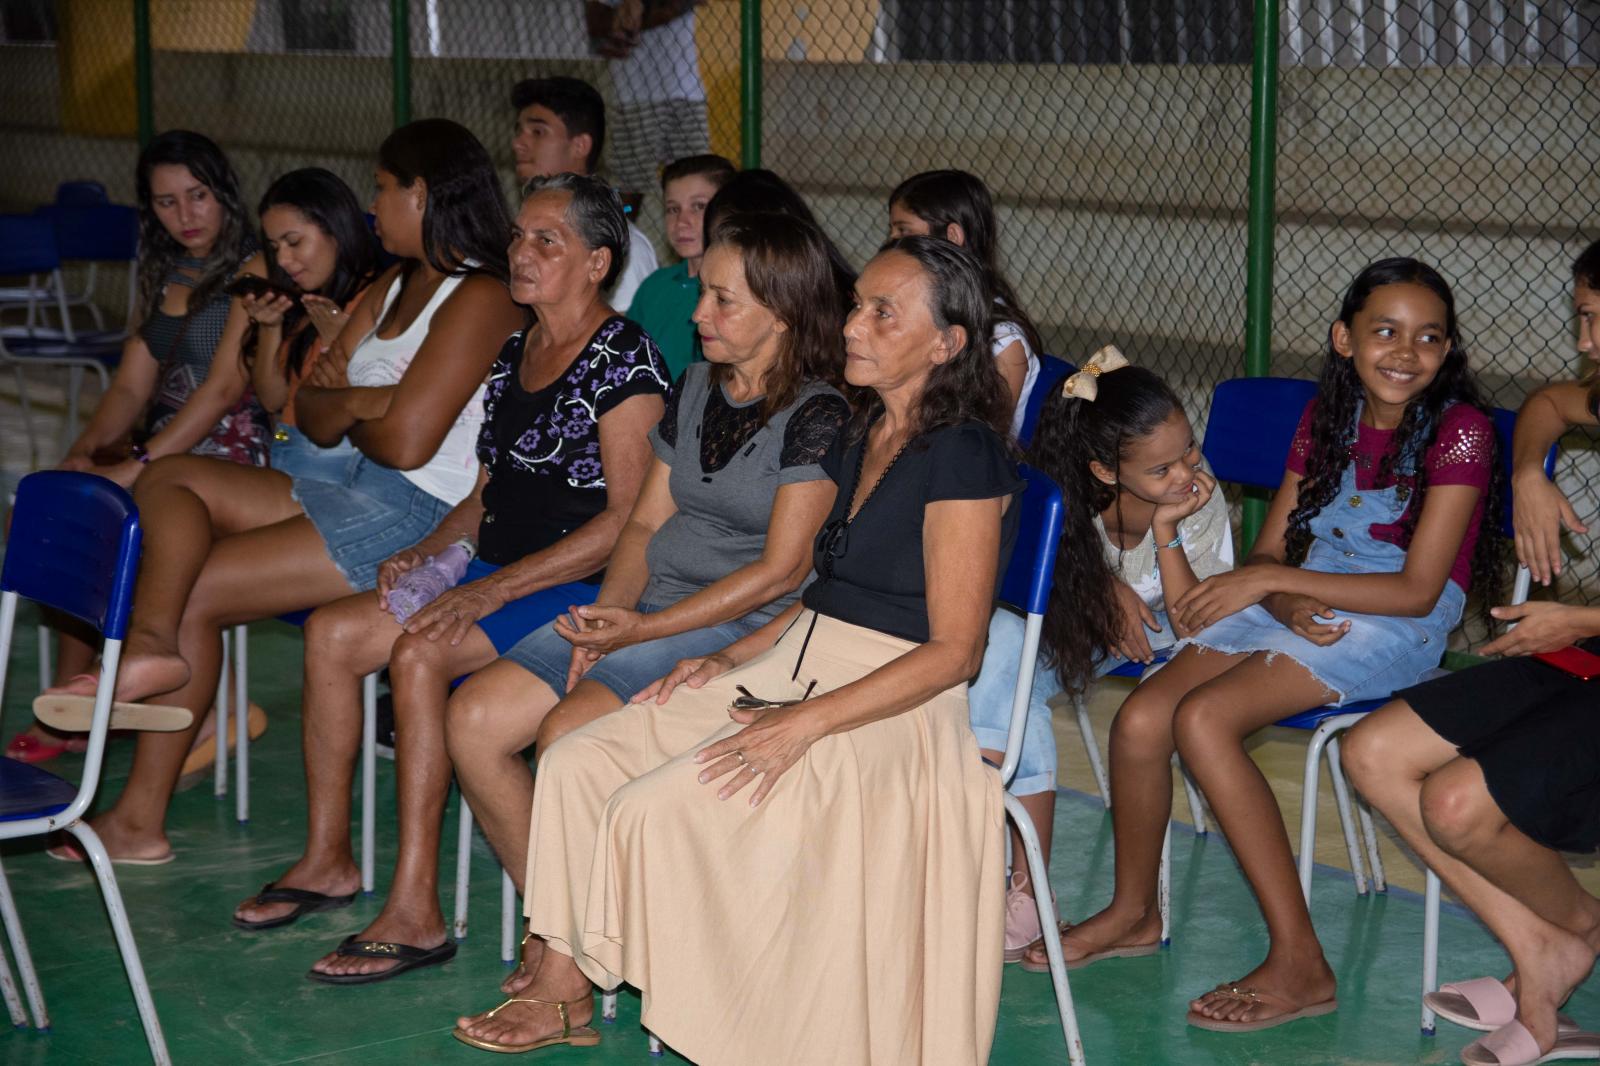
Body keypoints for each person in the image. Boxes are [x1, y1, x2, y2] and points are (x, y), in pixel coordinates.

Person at [450, 236, 1018, 1062]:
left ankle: (735, 1028)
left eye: (881, 313)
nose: (854, 325)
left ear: (947, 343)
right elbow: (820, 599)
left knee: (653, 807)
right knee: (578, 760)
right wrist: (724, 659)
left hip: (890, 706)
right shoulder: (867, 431)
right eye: (859, 304)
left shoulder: (962, 452)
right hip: (796, 664)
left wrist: (804, 725)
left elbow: (955, 653)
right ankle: (569, 989)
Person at [43, 118, 525, 864]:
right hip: (346, 482)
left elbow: (407, 443)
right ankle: (152, 647)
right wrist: (372, 406)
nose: (375, 203)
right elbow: (312, 413)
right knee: (170, 479)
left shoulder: (481, 296)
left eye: (383, 188)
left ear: (420, 195)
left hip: (415, 511)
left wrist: (360, 405)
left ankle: (138, 819)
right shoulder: (394, 285)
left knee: (197, 586)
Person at [229, 174, 670, 982]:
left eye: (549, 242)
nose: (523, 254)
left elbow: (630, 518)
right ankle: (329, 860)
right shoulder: (518, 349)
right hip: (500, 571)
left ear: (598, 262)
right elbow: (489, 490)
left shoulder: (624, 359)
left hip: (580, 583)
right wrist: (435, 550)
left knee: (420, 656)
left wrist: (489, 589)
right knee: (334, 632)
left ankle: (416, 908)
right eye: (520, 237)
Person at [1051, 257, 1503, 1033]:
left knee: (1202, 721)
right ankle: (1134, 912)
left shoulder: (1459, 434)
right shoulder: (1322, 421)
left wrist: (1275, 590)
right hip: (1300, 596)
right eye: (1384, 331)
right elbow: (1267, 557)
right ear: (1343, 340)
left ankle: (1300, 960)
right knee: (1140, 720)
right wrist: (1280, 592)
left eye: (1428, 337)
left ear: (1448, 348)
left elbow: (1417, 591)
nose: (1405, 351)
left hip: (1393, 618)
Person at [446, 210, 850, 995]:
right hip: (651, 609)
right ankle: (569, 919)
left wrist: (643, 629)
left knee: (566, 733)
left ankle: (565, 957)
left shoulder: (820, 414)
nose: (698, 315)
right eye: (704, 295)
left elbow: (779, 572)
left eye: (724, 301)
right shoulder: (698, 384)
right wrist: (608, 620)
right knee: (474, 720)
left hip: (742, 627)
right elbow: (644, 522)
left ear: (786, 312)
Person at [1342, 242, 1600, 1066]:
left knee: (1456, 804)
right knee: (1372, 751)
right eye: (1582, 319)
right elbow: (1554, 404)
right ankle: (1542, 951)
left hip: (1590, 641)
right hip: (1588, 650)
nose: (1585, 342)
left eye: (1595, 321)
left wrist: (1584, 622)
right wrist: (1528, 468)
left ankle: (1575, 933)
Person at [959, 353, 1234, 967]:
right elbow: (1028, 571)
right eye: (1162, 467)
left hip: (1188, 634)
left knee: (1013, 671)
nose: (1187, 471)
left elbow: (1199, 616)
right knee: (1006, 659)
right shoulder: (1062, 483)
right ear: (1104, 470)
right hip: (1085, 625)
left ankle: (1003, 877)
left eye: (1189, 450)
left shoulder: (1197, 495)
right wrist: (1103, 587)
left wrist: (1166, 526)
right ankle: (1021, 885)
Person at [8, 130, 271, 765]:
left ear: (225, 194)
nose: (185, 216)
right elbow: (130, 385)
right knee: (57, 514)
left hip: (229, 455)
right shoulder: (163, 272)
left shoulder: (253, 269)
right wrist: (83, 453)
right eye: (166, 203)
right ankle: (83, 700)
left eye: (198, 196)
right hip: (162, 451)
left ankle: (126, 707)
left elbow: (218, 392)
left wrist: (136, 463)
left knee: (114, 523)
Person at [245, 167, 383, 484]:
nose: (282, 260)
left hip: (330, 465)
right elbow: (272, 399)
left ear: (336, 230)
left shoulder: (370, 301)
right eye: (275, 246)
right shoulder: (310, 303)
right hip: (286, 451)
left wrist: (340, 343)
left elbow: (373, 402)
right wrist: (270, 326)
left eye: (293, 242)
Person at [888, 169, 1043, 436]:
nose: (893, 241)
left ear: (952, 236)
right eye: (891, 229)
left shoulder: (1001, 341)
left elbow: (983, 443)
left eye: (904, 230)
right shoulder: (918, 312)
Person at [510, 75, 657, 310]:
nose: (518, 143)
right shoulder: (524, 230)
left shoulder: (624, 247)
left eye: (538, 132)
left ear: (580, 146)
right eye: (519, 131)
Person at [624, 152, 735, 378]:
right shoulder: (654, 286)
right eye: (673, 209)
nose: (682, 221)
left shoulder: (735, 292)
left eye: (698, 206)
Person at [586, 1, 711, 200]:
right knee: (628, 194)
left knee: (697, 187)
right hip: (634, 92)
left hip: (687, 90)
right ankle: (619, 229)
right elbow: (596, 21)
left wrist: (640, 6)